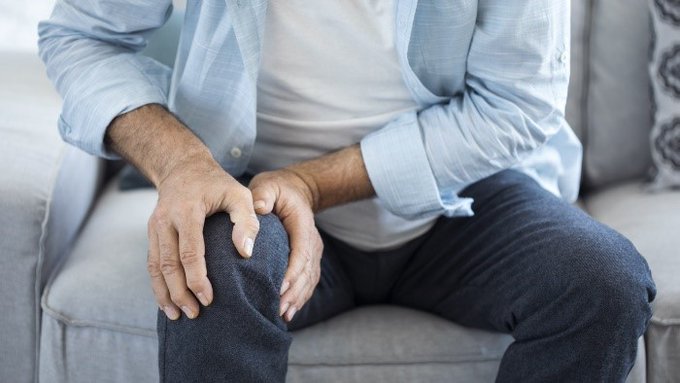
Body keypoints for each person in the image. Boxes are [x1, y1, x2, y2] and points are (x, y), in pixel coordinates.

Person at [38, 1, 656, 382]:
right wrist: (182, 164)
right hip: (254, 190)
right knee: (214, 268)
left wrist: (311, 183)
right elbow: (83, 37)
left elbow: (517, 104)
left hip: (463, 196)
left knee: (601, 282)